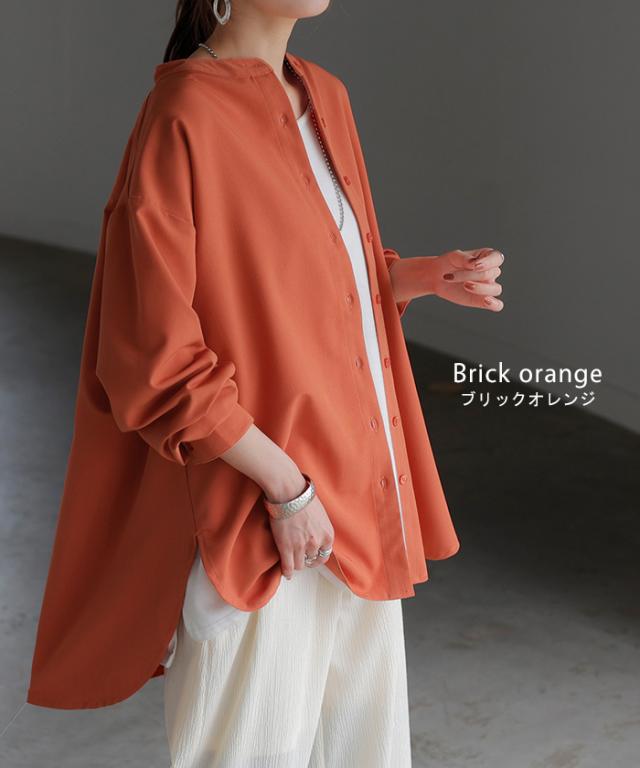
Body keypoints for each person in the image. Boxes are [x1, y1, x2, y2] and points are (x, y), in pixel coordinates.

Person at [26, 0, 505, 765]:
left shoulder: (324, 94)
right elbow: (148, 351)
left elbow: (304, 281)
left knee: (369, 754)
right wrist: (287, 490)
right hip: (258, 515)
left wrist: (417, 277)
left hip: (357, 487)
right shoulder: (186, 111)